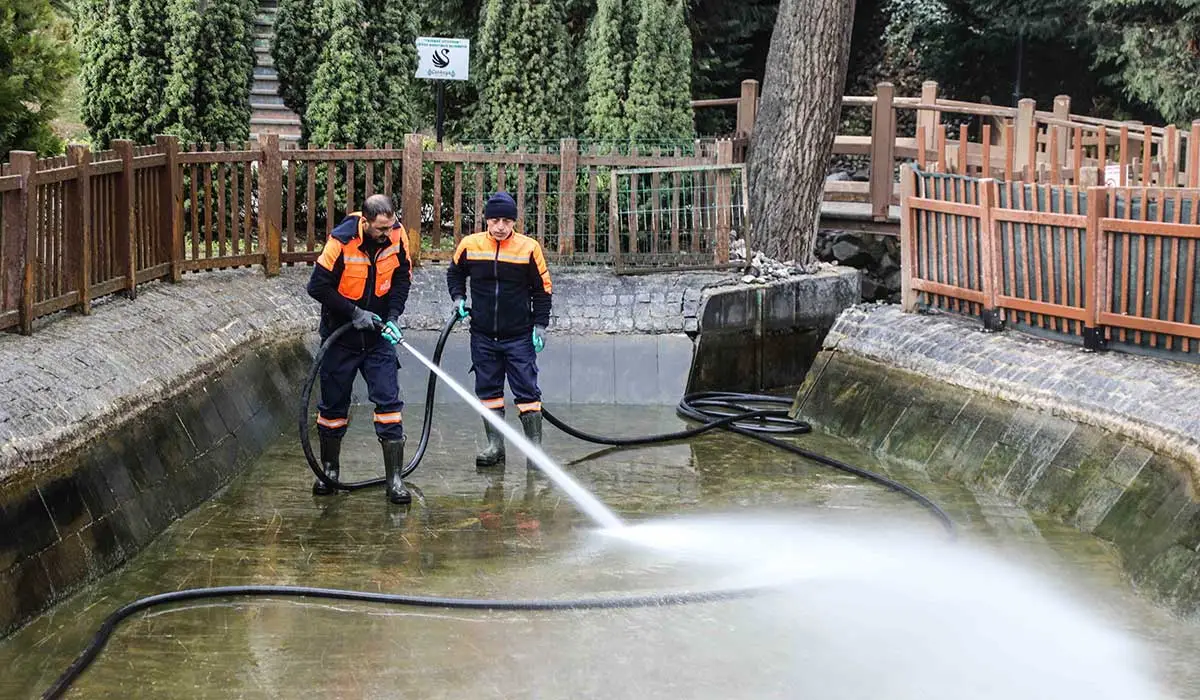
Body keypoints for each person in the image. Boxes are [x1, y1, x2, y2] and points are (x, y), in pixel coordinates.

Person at [307, 194, 413, 504]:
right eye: (381, 228)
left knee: (389, 403)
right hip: (341, 338)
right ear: (365, 223)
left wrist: (393, 317)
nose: (387, 233)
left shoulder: (397, 234)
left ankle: (394, 479)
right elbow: (317, 286)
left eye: (390, 226)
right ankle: (329, 471)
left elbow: (402, 279)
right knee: (332, 408)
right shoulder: (340, 241)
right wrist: (354, 313)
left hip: (378, 337)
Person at [446, 191, 552, 469]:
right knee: (488, 390)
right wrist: (458, 298)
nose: (501, 226)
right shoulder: (470, 245)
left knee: (527, 392)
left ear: (514, 222)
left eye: (507, 220)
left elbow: (543, 290)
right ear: (487, 220)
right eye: (495, 219)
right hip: (482, 335)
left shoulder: (529, 248)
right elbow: (454, 273)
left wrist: (540, 325)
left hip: (518, 335)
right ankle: (495, 446)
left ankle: (534, 451)